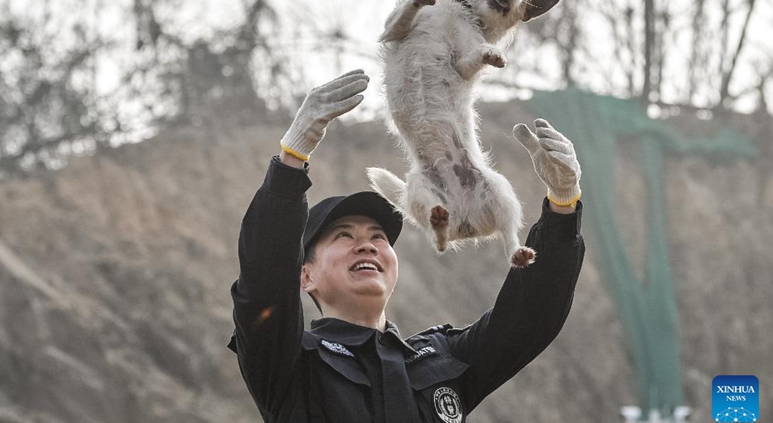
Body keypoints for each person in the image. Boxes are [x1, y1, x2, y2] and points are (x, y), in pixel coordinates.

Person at [228, 69, 585, 423]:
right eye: (344, 236)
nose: (366, 246)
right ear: (305, 276)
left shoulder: (441, 357)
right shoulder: (291, 359)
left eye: (378, 237)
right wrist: (291, 160)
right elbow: (264, 281)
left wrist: (563, 206)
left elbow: (530, 316)